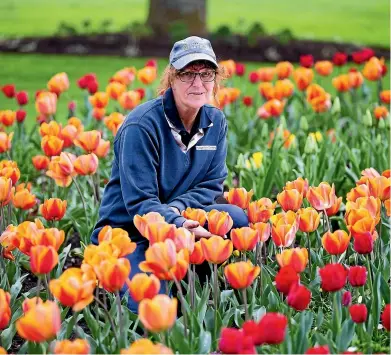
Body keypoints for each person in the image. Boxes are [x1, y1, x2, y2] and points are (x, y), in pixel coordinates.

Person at [91, 36, 248, 313]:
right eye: (187, 74)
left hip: (182, 219)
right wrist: (177, 222)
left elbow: (212, 185)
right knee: (150, 306)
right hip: (131, 232)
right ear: (171, 78)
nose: (197, 83)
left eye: (206, 74)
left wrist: (178, 212)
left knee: (236, 219)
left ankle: (198, 284)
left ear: (215, 79)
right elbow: (141, 204)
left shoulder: (215, 121)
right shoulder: (141, 127)